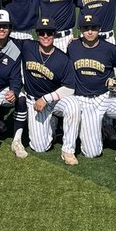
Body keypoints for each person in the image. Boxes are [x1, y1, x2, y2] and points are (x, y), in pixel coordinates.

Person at [68, 12, 116, 167]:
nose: (89, 31)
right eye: (86, 28)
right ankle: (98, 130)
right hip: (83, 99)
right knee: (92, 153)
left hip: (106, 97)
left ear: (99, 29)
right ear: (80, 29)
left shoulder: (110, 48)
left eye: (93, 28)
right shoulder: (72, 46)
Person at [19, 15, 80, 165]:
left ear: (55, 34)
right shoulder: (27, 46)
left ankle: (68, 150)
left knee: (73, 105)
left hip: (53, 100)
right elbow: (4, 41)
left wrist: (47, 99)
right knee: (40, 147)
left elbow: (70, 88)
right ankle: (51, 123)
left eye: (49, 33)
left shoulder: (62, 59)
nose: (45, 36)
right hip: (34, 101)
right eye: (42, 33)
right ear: (36, 34)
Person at [0, 8, 27, 159]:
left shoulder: (14, 48)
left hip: (2, 90)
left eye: (5, 26)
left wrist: (14, 91)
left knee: (21, 97)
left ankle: (17, 141)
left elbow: (16, 77)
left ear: (10, 28)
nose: (1, 29)